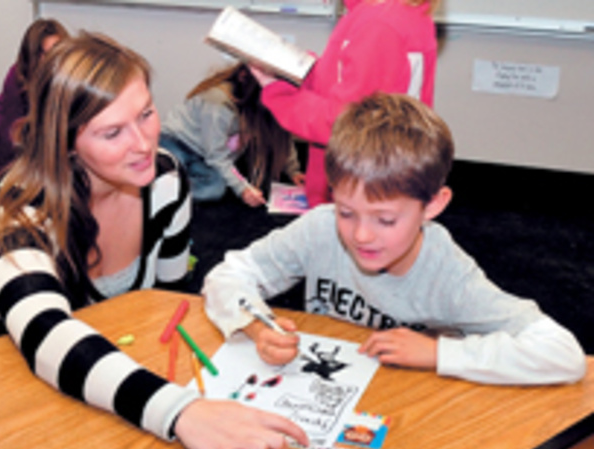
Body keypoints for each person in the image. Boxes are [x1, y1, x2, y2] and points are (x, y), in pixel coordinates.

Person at [0, 32, 308, 449]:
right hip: (10, 386)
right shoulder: (15, 211)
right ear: (66, 141)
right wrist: (181, 412)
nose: (144, 144)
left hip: (111, 378)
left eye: (146, 114)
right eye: (112, 133)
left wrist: (246, 322)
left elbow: (167, 302)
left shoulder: (164, 180)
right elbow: (47, 336)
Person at [202, 93, 586, 386]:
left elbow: (563, 353)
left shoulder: (447, 272)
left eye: (385, 219)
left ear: (433, 205)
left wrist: (438, 352)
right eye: (346, 211)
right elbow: (227, 275)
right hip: (335, 388)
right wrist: (257, 326)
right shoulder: (320, 229)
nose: (361, 234)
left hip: (410, 400)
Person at [250, 0, 439, 207]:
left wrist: (278, 92)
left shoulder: (379, 25)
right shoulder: (385, 15)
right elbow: (339, 82)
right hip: (371, 181)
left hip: (361, 190)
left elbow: (345, 124)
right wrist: (297, 69)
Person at [160, 63, 304, 207]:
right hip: (176, 141)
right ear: (243, 76)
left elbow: (280, 133)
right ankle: (160, 186)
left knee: (214, 189)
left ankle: (172, 184)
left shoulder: (258, 103)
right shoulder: (218, 104)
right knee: (166, 166)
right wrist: (243, 188)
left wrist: (293, 171)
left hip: (204, 155)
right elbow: (216, 156)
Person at [0, 18, 69, 170]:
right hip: (1, 130)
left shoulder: (69, 81)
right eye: (44, 54)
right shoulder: (18, 76)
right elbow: (8, 136)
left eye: (57, 52)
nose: (52, 60)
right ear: (32, 58)